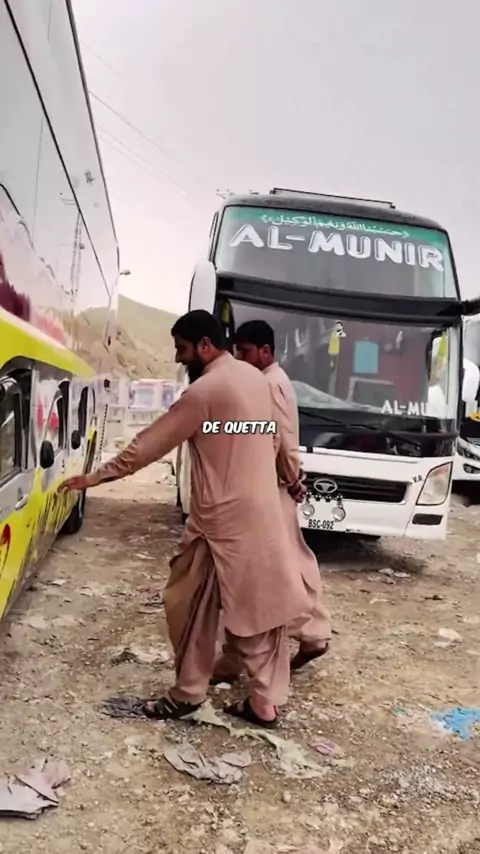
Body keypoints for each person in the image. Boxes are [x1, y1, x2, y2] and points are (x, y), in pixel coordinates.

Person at [59, 310, 311, 728]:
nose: (179, 358)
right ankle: (263, 703)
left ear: (205, 345)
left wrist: (95, 477)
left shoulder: (205, 392)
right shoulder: (256, 380)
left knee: (190, 606)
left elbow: (149, 445)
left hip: (219, 526)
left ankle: (188, 693)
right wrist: (291, 478)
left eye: (182, 349)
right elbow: (275, 437)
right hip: (263, 513)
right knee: (258, 611)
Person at [211, 319, 331, 684]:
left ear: (265, 352)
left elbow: (284, 441)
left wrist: (292, 480)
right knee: (271, 569)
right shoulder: (264, 381)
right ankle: (239, 656)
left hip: (269, 490)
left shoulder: (270, 384)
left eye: (246, 352)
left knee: (264, 574)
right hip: (263, 488)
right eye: (237, 352)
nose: (240, 359)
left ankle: (308, 633)